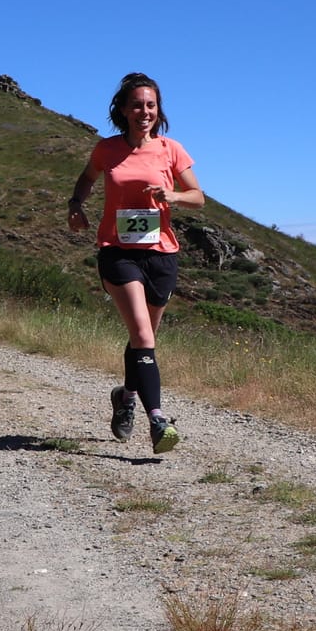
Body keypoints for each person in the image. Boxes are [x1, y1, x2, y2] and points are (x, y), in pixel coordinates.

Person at [66, 72, 204, 453]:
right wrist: (76, 205)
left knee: (144, 340)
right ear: (123, 110)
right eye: (137, 105)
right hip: (118, 251)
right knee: (143, 336)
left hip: (161, 254)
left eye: (151, 105)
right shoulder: (107, 149)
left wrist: (172, 196)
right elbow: (86, 179)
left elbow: (198, 197)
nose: (145, 111)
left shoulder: (171, 150)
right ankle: (158, 420)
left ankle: (125, 396)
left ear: (158, 110)